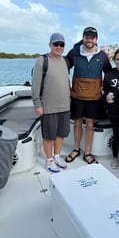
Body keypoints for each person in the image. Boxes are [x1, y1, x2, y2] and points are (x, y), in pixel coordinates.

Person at [65, 27, 112, 164]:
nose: (89, 40)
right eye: (87, 37)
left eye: (92, 37)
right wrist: (65, 86)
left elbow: (108, 74)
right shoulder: (74, 53)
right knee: (77, 122)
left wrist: (107, 91)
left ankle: (88, 153)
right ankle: (76, 149)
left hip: (94, 97)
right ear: (83, 38)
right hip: (77, 95)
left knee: (90, 124)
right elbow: (63, 68)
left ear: (96, 39)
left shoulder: (102, 56)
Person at [32, 33, 70, 173]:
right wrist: (37, 104)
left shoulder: (65, 61)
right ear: (50, 45)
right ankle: (49, 160)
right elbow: (35, 85)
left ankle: (57, 156)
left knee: (61, 134)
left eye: (61, 45)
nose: (58, 47)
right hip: (48, 107)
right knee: (48, 136)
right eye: (56, 44)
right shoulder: (42, 61)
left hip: (65, 106)